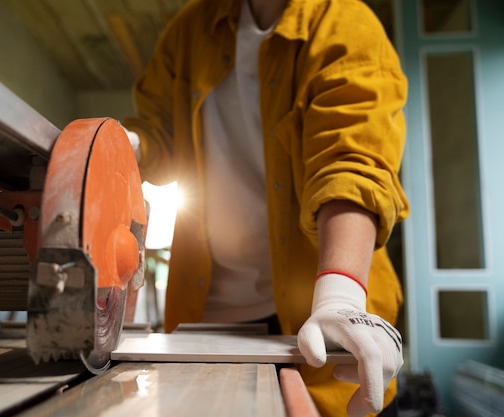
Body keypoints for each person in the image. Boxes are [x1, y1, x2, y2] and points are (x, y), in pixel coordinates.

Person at [122, 0, 408, 416]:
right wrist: (125, 145)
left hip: (320, 312)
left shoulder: (345, 23)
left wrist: (340, 297)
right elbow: (161, 135)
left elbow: (351, 166)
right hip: (206, 313)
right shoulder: (188, 31)